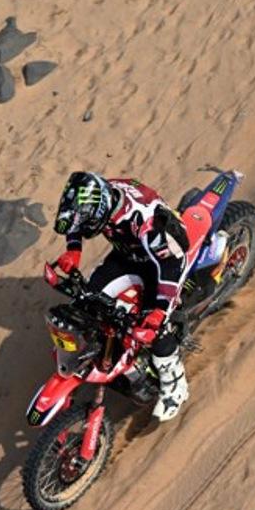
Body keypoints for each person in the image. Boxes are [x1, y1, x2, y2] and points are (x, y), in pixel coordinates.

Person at [50, 171, 191, 421]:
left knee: (156, 329)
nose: (84, 226)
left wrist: (159, 311)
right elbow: (75, 220)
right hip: (127, 254)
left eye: (89, 222)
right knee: (87, 302)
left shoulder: (144, 223)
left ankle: (174, 385)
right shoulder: (98, 194)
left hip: (162, 262)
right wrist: (73, 249)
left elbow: (170, 265)